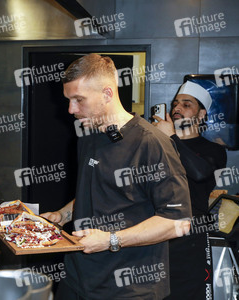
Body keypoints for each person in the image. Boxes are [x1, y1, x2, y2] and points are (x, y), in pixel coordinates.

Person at [41, 53, 192, 299]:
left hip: (129, 289)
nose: (71, 110)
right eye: (69, 100)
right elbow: (96, 191)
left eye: (79, 100)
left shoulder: (152, 144)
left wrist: (111, 239)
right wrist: (63, 214)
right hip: (77, 279)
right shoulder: (88, 135)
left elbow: (177, 222)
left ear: (107, 94)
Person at [153, 81, 227, 299]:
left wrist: (172, 138)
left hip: (191, 238)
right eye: (175, 103)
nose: (176, 108)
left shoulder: (213, 150)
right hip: (156, 234)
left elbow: (200, 173)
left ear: (201, 114)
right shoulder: (158, 146)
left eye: (186, 104)